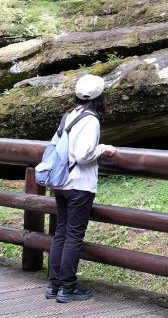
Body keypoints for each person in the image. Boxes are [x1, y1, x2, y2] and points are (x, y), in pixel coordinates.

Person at [46, 74, 116, 303]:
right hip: (79, 185)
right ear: (100, 97)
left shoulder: (69, 115)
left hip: (62, 181)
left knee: (61, 232)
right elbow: (84, 155)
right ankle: (68, 288)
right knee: (73, 235)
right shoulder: (91, 119)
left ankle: (54, 286)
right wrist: (104, 149)